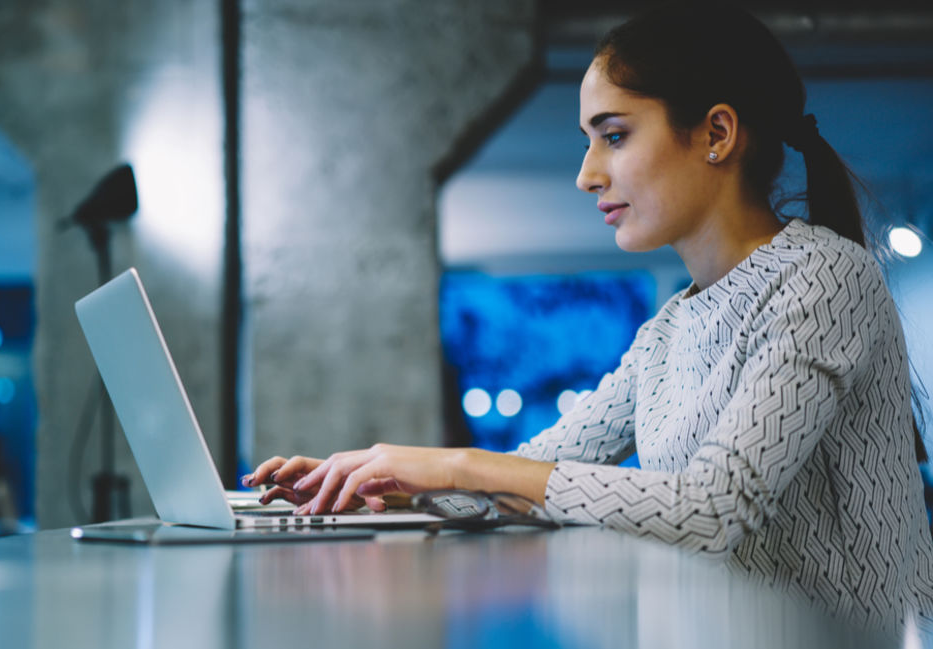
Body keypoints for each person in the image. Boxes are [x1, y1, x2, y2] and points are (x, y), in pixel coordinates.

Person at [242, 3, 933, 629]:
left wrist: (454, 462)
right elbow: (527, 480)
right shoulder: (668, 329)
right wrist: (375, 488)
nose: (587, 173)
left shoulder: (827, 275)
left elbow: (711, 508)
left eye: (613, 135)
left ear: (718, 133)